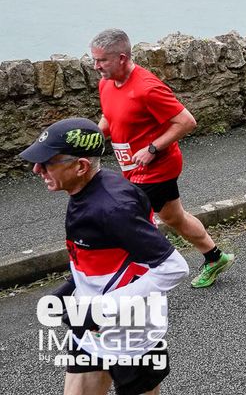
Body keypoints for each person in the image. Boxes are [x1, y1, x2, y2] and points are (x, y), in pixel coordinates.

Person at [21, 118, 189, 395]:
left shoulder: (113, 207)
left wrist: (102, 307)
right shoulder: (87, 190)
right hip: (90, 329)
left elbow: (173, 267)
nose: (37, 169)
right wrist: (71, 287)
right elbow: (104, 253)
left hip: (131, 336)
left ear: (81, 166)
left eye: (47, 162)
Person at [90, 29, 235, 289]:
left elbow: (186, 121)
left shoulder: (147, 88)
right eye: (94, 59)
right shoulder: (106, 83)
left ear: (122, 58)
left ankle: (137, 281)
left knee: (128, 221)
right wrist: (91, 137)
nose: (95, 66)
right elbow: (109, 117)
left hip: (156, 169)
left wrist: (152, 149)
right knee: (174, 218)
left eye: (102, 61)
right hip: (131, 167)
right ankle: (215, 257)